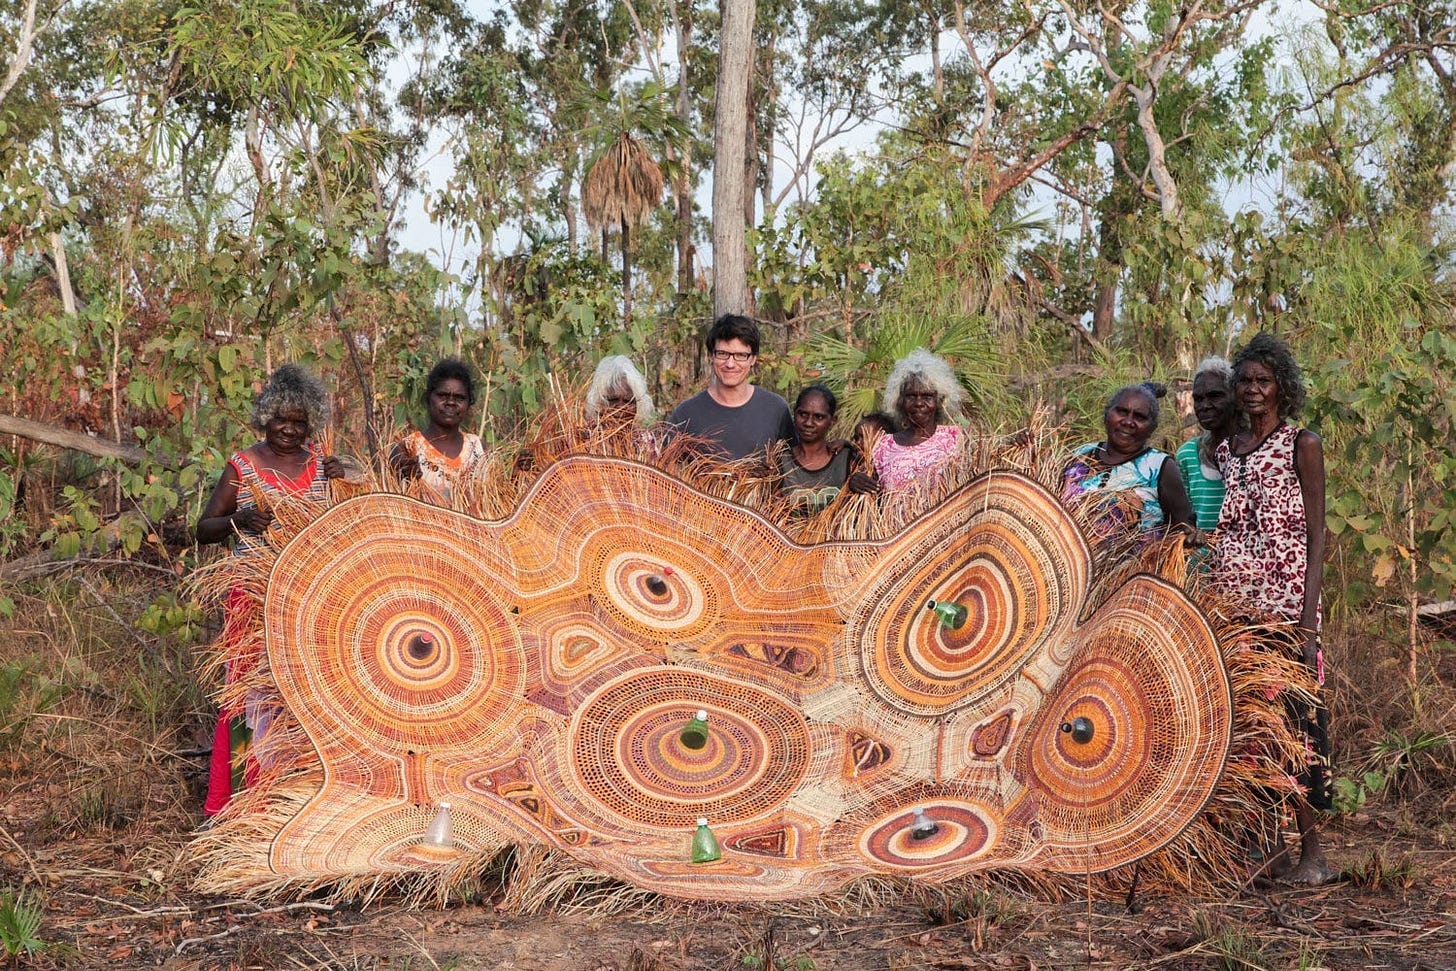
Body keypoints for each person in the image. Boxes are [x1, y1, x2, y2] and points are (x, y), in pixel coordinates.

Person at [195, 364, 345, 816]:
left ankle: (295, 798)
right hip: (251, 597)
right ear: (266, 416)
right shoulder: (243, 466)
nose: (289, 430)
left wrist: (348, 479)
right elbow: (204, 528)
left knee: (302, 693)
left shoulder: (322, 465)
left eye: (300, 422)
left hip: (307, 598)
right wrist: (238, 522)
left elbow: (346, 521)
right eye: (282, 419)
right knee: (246, 693)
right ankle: (239, 803)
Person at [1213, 332, 1333, 886]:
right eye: (1245, 381)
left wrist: (1308, 623)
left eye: (1263, 381)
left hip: (1284, 612)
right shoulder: (1227, 450)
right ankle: (1270, 852)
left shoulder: (1300, 444)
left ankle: (1313, 853)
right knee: (1251, 732)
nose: (1253, 389)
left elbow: (1316, 537)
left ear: (1282, 387)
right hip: (1234, 609)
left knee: (1294, 730)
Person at [1061, 382, 1196, 541]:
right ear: (1107, 414)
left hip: (1137, 565)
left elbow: (1183, 530)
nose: (1128, 422)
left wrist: (1189, 537)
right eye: (1122, 412)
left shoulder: (1161, 467)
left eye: (1140, 417)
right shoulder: (1079, 455)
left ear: (1152, 427)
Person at [668, 314, 792, 461]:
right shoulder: (685, 414)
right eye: (722, 354)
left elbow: (795, 468)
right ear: (711, 356)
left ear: (753, 359)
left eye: (740, 355)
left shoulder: (776, 409)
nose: (730, 364)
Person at [864, 349, 965, 493]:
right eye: (911, 396)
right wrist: (856, 480)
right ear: (900, 401)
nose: (919, 403)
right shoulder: (883, 445)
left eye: (927, 396)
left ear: (939, 400)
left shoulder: (955, 438)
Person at [390, 359, 485, 504]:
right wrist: (408, 481)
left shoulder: (479, 448)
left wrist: (520, 475)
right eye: (443, 396)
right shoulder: (407, 449)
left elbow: (497, 502)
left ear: (468, 404)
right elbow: (391, 503)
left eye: (459, 398)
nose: (451, 403)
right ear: (428, 399)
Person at [776, 385, 863, 514]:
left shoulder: (847, 459)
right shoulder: (781, 462)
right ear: (794, 413)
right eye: (803, 414)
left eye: (819, 417)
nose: (809, 423)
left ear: (832, 421)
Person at [1176, 357, 1238, 534]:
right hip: (1199, 560)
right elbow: (1184, 519)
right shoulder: (1187, 454)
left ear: (1236, 397)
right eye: (1198, 399)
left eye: (1215, 396)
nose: (1204, 406)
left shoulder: (1256, 452)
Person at [585, 355, 656, 426]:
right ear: (598, 404)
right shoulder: (582, 435)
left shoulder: (646, 437)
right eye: (612, 400)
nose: (621, 408)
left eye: (628, 401)